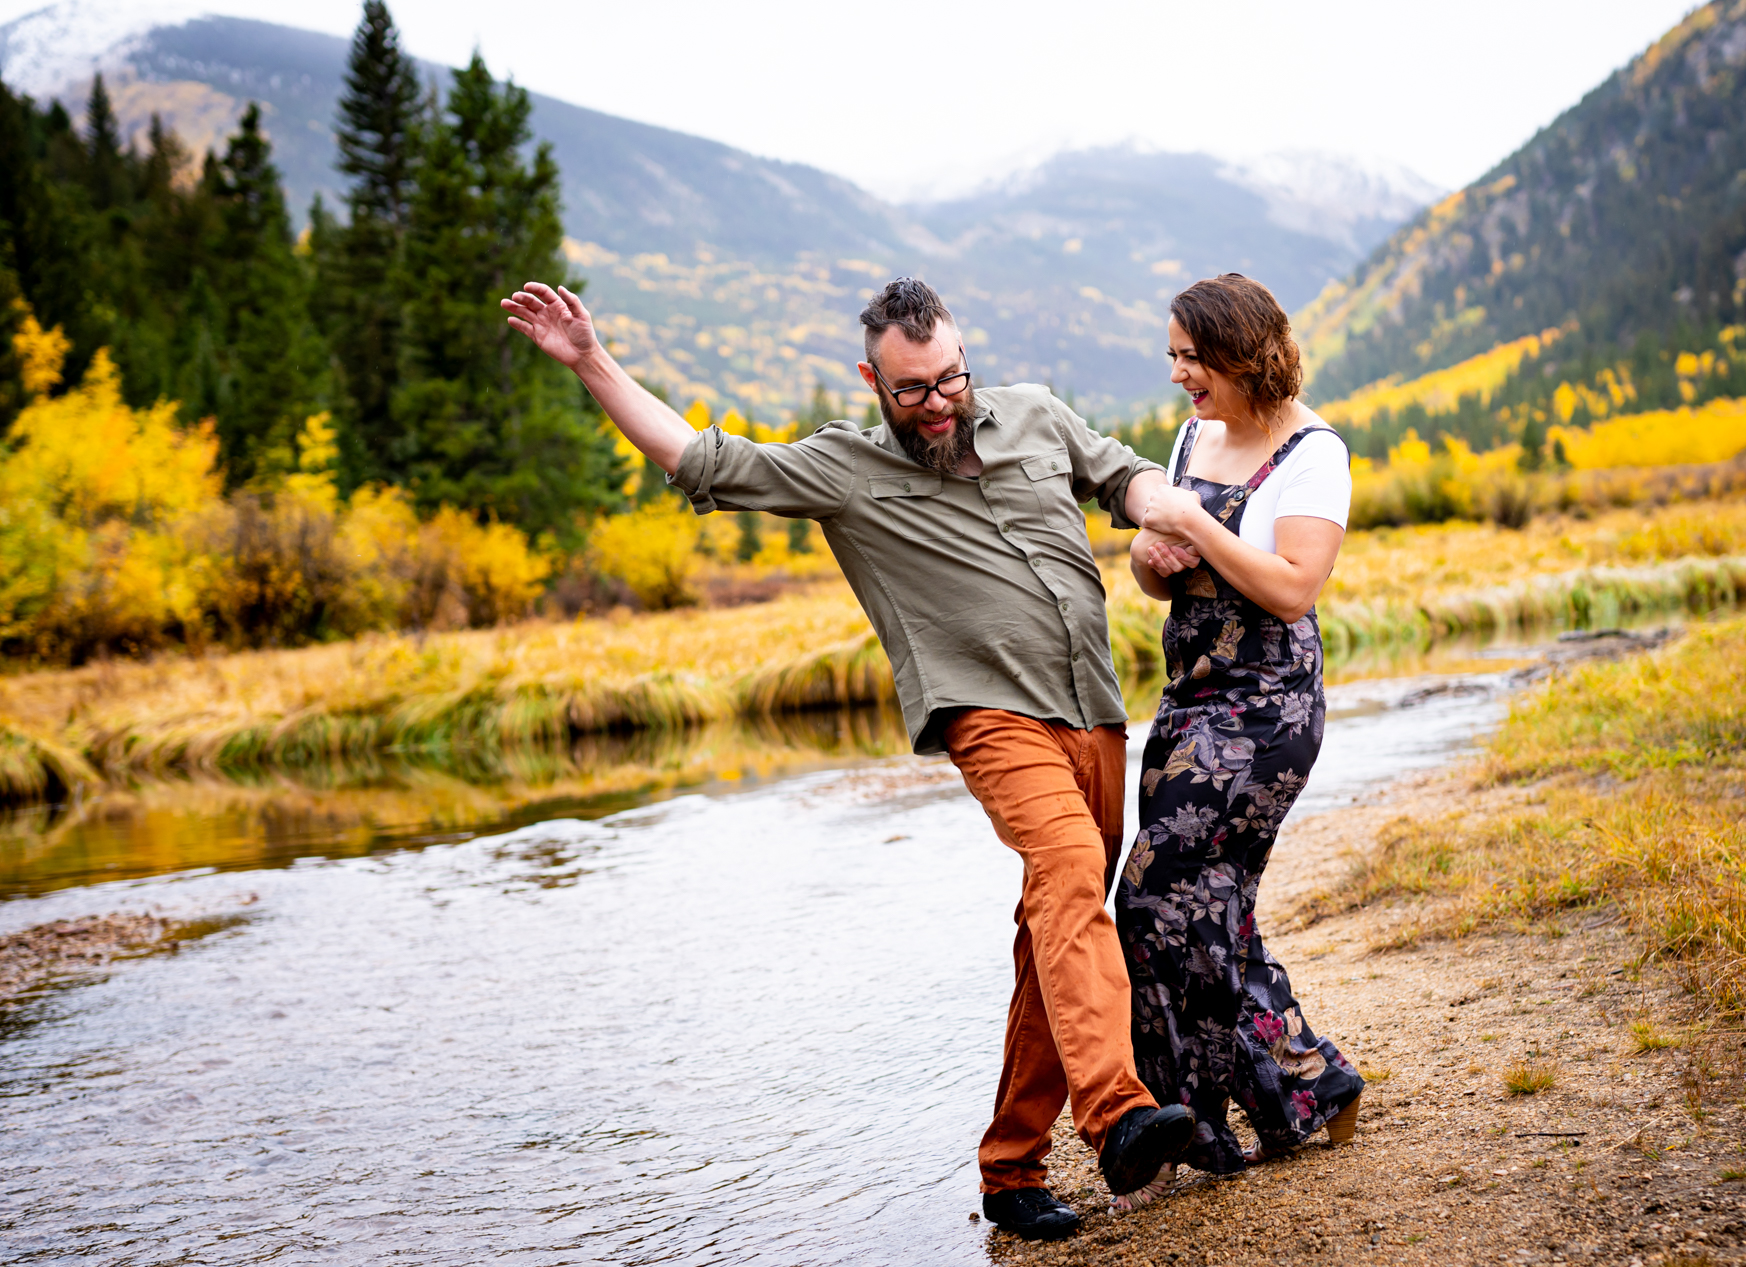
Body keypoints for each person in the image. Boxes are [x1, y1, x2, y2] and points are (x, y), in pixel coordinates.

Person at [500, 276, 1196, 1240]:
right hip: (989, 715)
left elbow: (1125, 476)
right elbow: (697, 456)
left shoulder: (1034, 413)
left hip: (1095, 711)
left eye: (951, 378)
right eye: (913, 390)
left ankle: (1010, 1171)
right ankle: (1117, 1116)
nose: (940, 402)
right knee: (1071, 871)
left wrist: (1166, 516)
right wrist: (590, 361)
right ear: (873, 379)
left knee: (1058, 919)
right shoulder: (844, 468)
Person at [1111, 273, 1365, 1211]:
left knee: (1148, 899)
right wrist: (1149, 552)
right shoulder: (1193, 437)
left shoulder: (1313, 450)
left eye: (1192, 357)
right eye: (1172, 355)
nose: (1179, 374)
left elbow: (1296, 585)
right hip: (1190, 696)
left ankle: (1193, 1120)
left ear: (1240, 352)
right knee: (1214, 907)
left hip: (1265, 712)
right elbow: (1155, 571)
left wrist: (1194, 525)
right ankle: (1305, 1081)